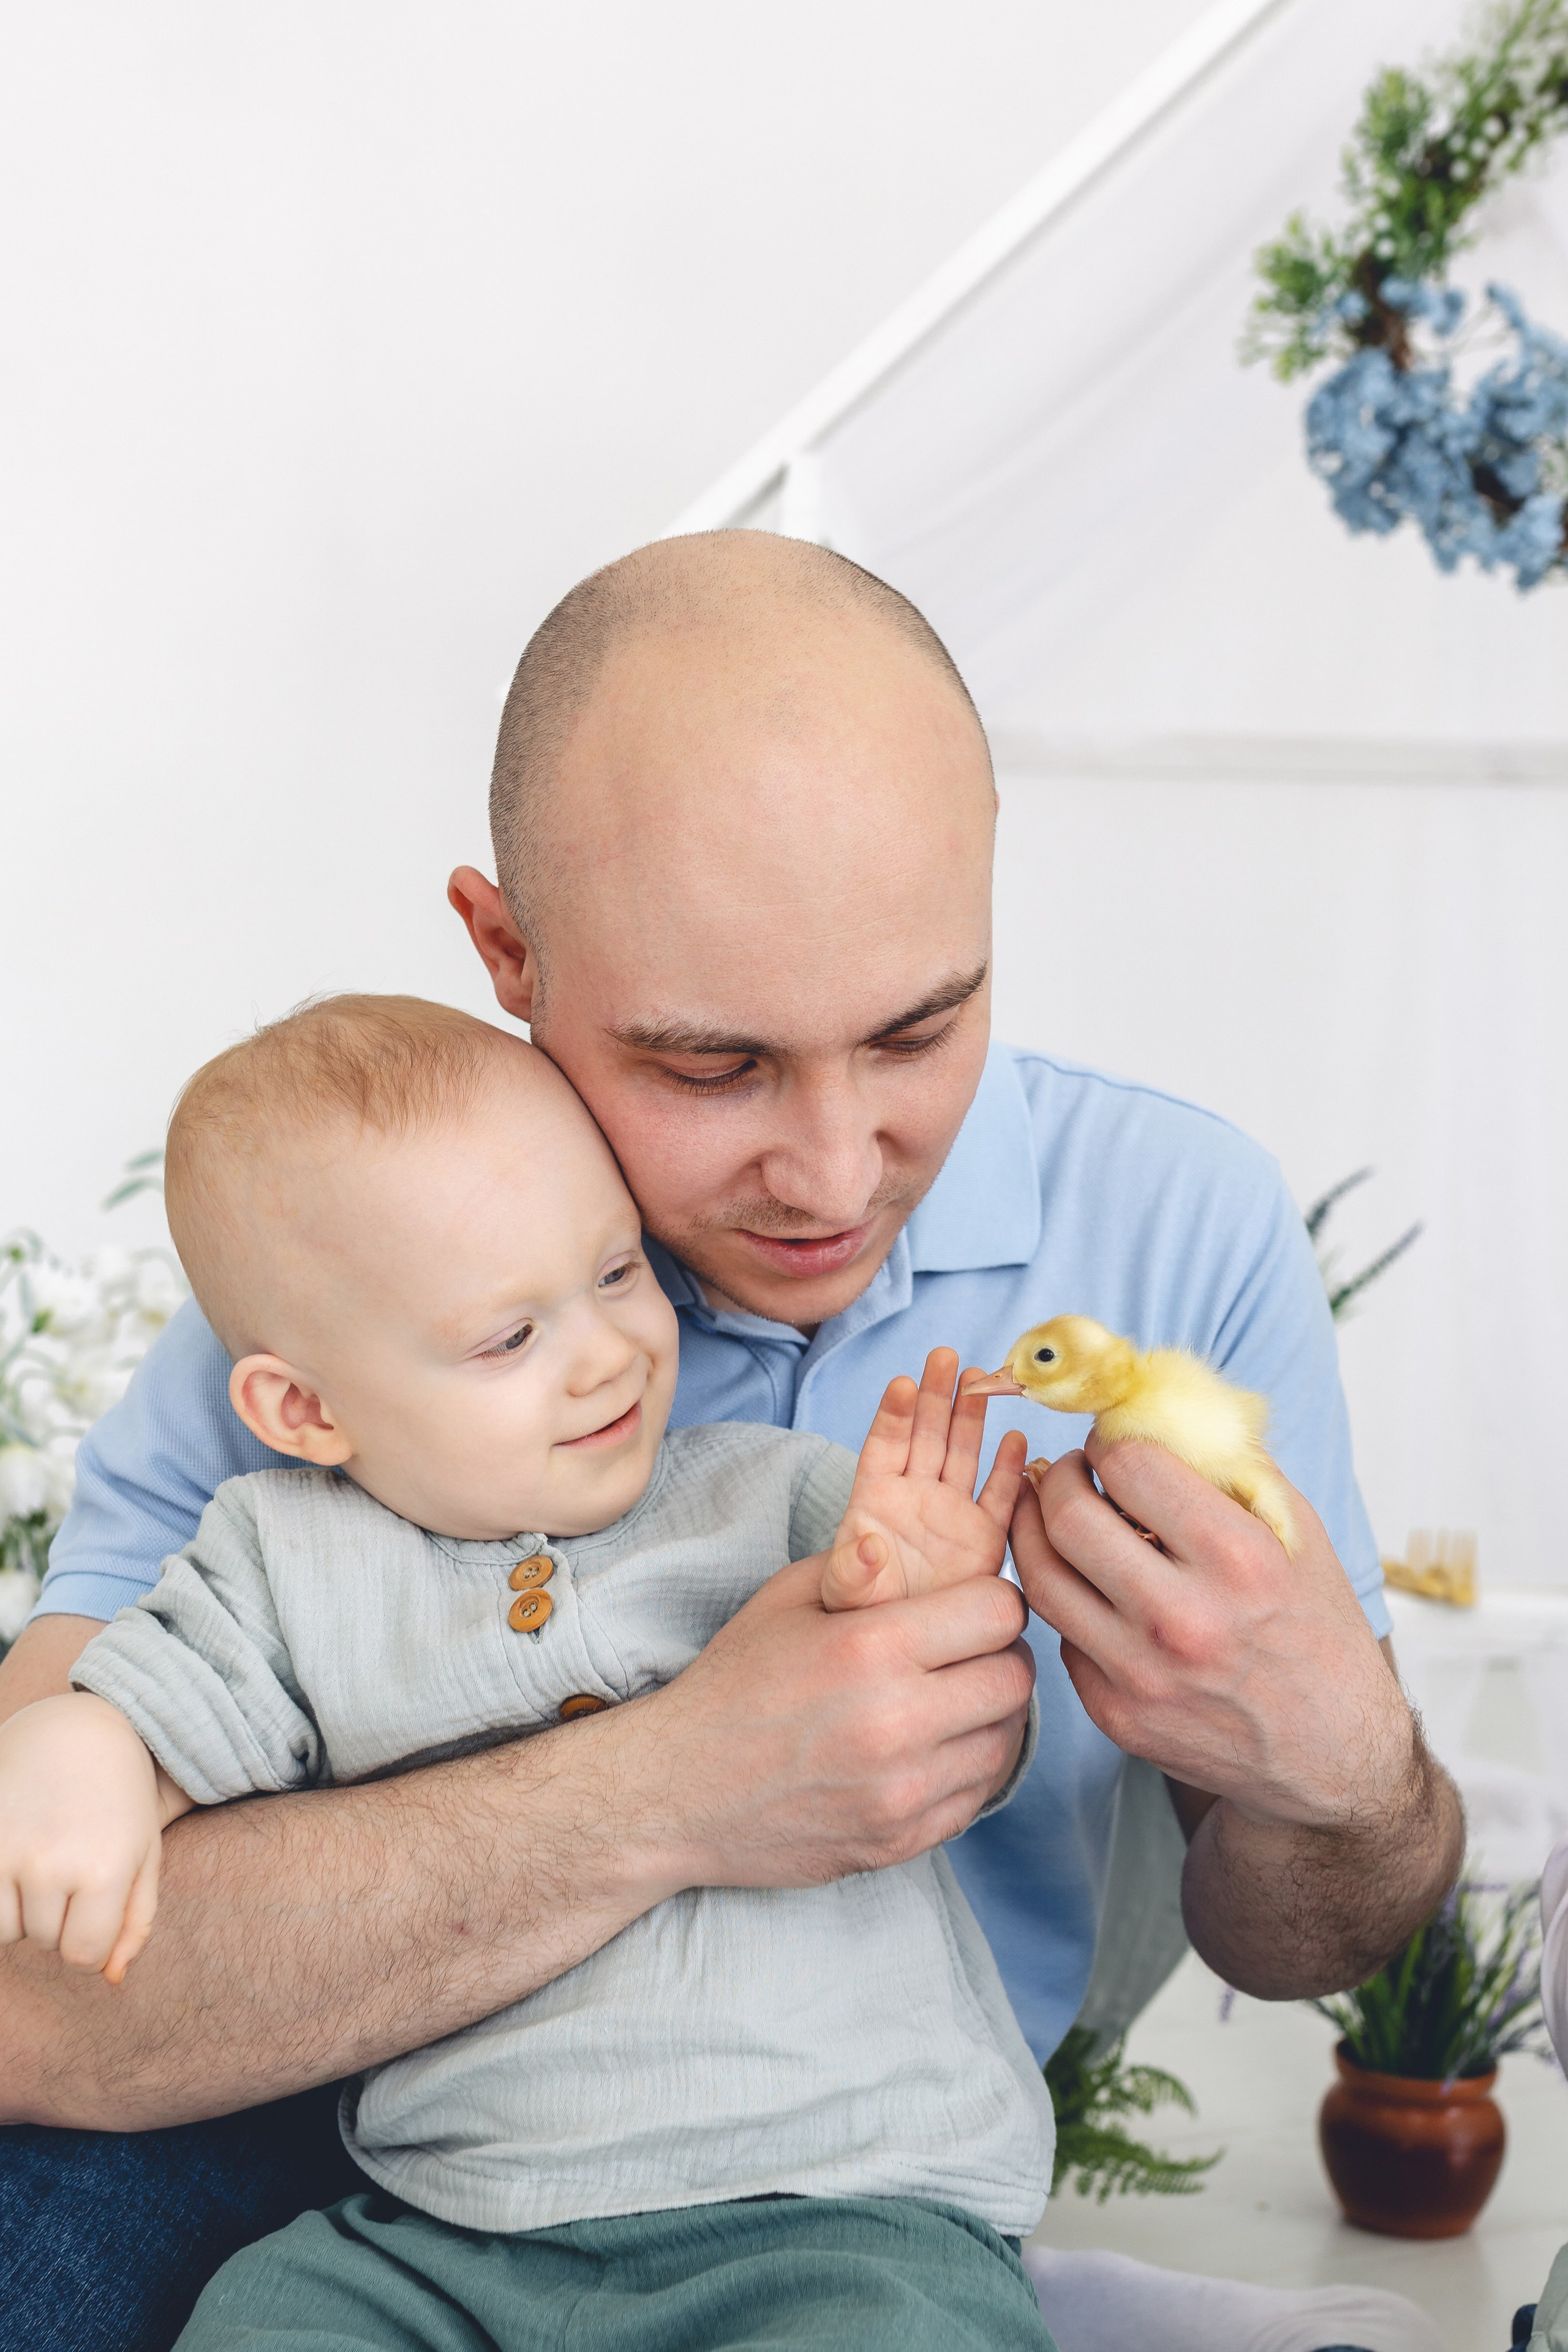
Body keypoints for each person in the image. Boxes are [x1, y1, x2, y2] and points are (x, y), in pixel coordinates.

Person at [0, 532, 1462, 2350]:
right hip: (386, 2148)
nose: (833, 1177)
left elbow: (1310, 1934)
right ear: (506, 952)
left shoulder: (1177, 1225)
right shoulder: (377, 1250)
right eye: (712, 1068)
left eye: (921, 1030)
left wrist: (1342, 1770)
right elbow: (31, 1998)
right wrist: (680, 1787)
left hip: (850, 2184)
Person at [0, 993, 1058, 2348]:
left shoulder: (768, 1502)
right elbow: (154, 1718)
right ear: (304, 1411)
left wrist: (923, 1591)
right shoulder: (277, 1565)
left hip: (833, 2207)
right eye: (511, 1338)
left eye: (617, 1274)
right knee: (262, 2317)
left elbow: (953, 1738)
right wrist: (83, 1758)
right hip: (445, 2226)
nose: (608, 1353)